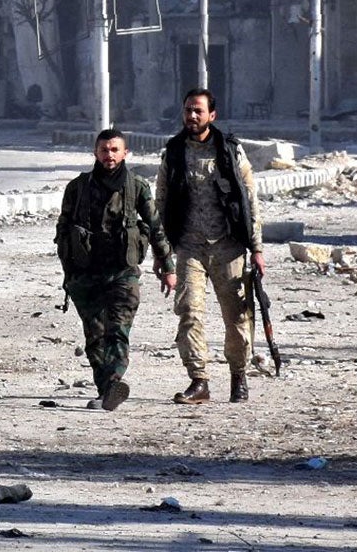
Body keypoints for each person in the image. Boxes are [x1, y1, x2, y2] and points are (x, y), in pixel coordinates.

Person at [154, 88, 266, 404]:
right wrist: (161, 255)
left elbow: (249, 200)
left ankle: (238, 377)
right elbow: (160, 203)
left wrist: (257, 248)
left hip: (229, 246)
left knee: (238, 317)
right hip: (189, 247)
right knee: (189, 312)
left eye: (198, 111)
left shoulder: (230, 151)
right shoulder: (173, 153)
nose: (192, 116)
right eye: (188, 110)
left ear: (211, 115)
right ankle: (199, 381)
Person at [55, 127, 172, 411]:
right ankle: (107, 389)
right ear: (96, 152)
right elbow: (63, 230)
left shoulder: (137, 187)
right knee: (94, 336)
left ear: (125, 153)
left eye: (115, 150)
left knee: (117, 329)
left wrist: (167, 266)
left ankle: (115, 379)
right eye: (104, 150)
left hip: (124, 272)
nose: (109, 155)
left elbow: (156, 228)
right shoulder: (78, 188)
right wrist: (68, 274)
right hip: (86, 274)